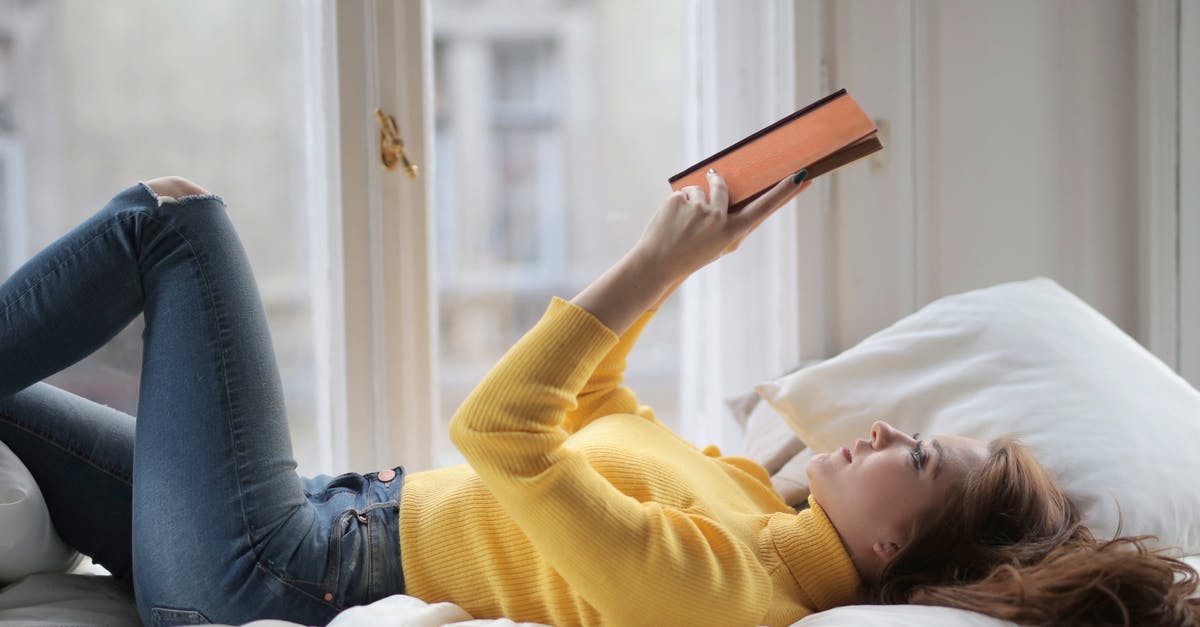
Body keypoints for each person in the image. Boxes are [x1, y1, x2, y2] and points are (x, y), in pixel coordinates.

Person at [0, 172, 1197, 627]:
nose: (883, 429)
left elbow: (497, 433)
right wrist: (691, 253)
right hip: (314, 510)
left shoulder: (734, 592)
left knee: (181, 219)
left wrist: (658, 267)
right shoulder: (748, 499)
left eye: (919, 456)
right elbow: (598, 401)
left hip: (272, 564)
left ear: (892, 541)